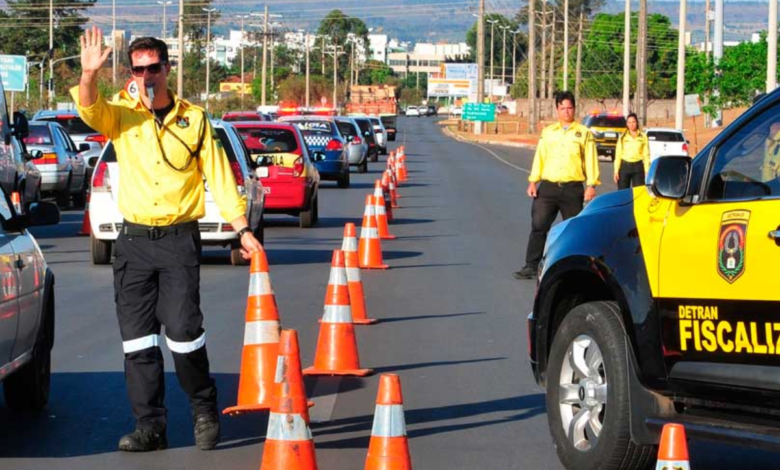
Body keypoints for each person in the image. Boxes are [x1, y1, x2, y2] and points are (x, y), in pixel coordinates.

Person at [71, 27, 263, 452]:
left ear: (167, 68)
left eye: (153, 68)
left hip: (178, 242)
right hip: (134, 243)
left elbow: (218, 175)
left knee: (183, 332)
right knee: (138, 340)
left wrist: (242, 229)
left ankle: (203, 408)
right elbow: (89, 111)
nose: (146, 76)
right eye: (138, 70)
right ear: (131, 73)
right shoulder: (122, 114)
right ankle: (150, 427)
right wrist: (88, 76)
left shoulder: (193, 120)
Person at [513, 91, 599, 280]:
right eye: (562, 108)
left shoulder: (583, 133)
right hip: (548, 188)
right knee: (538, 226)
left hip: (572, 188)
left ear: (574, 109)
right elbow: (540, 157)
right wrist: (533, 181)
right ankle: (531, 265)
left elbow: (591, 160)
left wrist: (591, 185)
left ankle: (574, 269)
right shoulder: (548, 132)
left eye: (569, 108)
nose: (566, 111)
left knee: (573, 230)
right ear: (557, 109)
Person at [613, 113, 650, 190]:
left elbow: (646, 155)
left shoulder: (643, 136)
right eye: (629, 122)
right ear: (627, 124)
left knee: (638, 191)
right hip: (625, 166)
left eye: (633, 122)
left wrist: (647, 170)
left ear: (637, 122)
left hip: (638, 166)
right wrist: (616, 171)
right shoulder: (623, 137)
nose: (631, 124)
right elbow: (618, 154)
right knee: (622, 192)